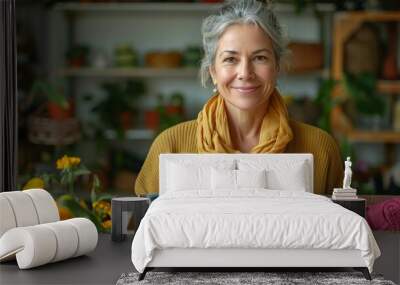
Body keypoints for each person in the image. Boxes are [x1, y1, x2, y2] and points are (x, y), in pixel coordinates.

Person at [134, 0, 343, 196]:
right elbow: (140, 229)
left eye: (260, 58)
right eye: (231, 59)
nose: (245, 72)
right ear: (213, 72)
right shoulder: (171, 147)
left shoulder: (320, 149)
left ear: (277, 68)